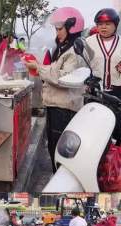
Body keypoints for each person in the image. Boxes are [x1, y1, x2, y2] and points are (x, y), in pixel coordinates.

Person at [25, 7, 85, 172]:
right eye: (55, 29)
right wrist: (39, 67)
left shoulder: (75, 51)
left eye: (59, 29)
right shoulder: (62, 47)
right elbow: (54, 69)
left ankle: (61, 179)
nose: (57, 33)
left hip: (64, 108)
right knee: (53, 144)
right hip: (55, 105)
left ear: (72, 28)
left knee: (60, 149)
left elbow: (64, 78)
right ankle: (56, 176)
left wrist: (38, 68)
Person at [85, 8, 121, 102]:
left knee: (117, 116)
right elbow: (82, 64)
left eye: (107, 24)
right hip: (94, 90)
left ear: (115, 25)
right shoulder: (88, 42)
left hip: (118, 91)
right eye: (100, 24)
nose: (103, 27)